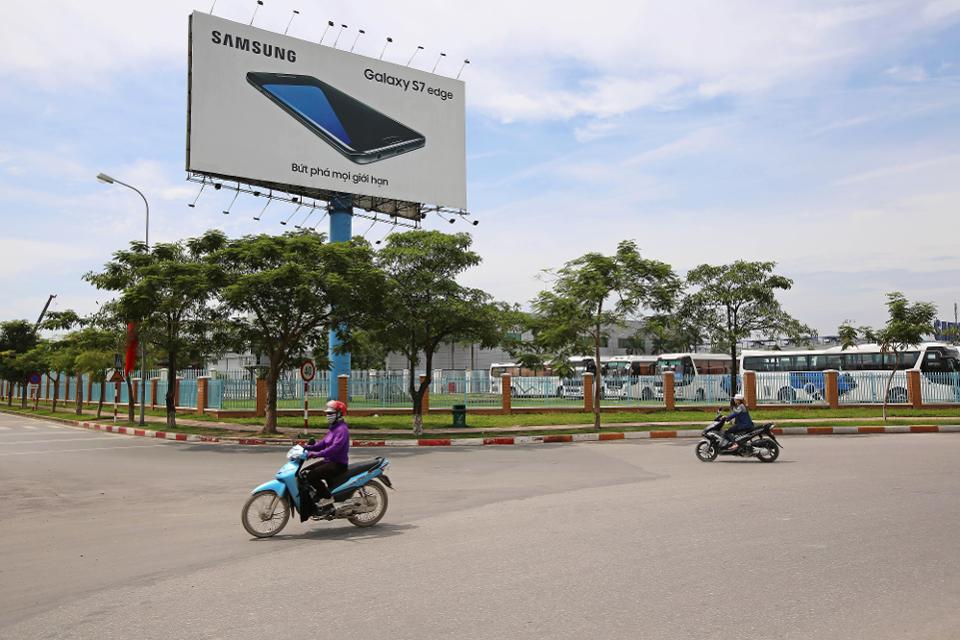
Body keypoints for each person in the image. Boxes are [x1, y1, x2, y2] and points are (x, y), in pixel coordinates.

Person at [300, 400, 350, 516]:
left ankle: (327, 498)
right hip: (330, 461)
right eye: (327, 413)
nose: (328, 415)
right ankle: (318, 496)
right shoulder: (334, 428)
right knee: (304, 473)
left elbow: (334, 448)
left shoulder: (342, 430)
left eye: (330, 413)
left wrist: (315, 454)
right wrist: (306, 447)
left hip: (338, 464)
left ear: (339, 414)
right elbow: (322, 444)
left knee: (312, 476)